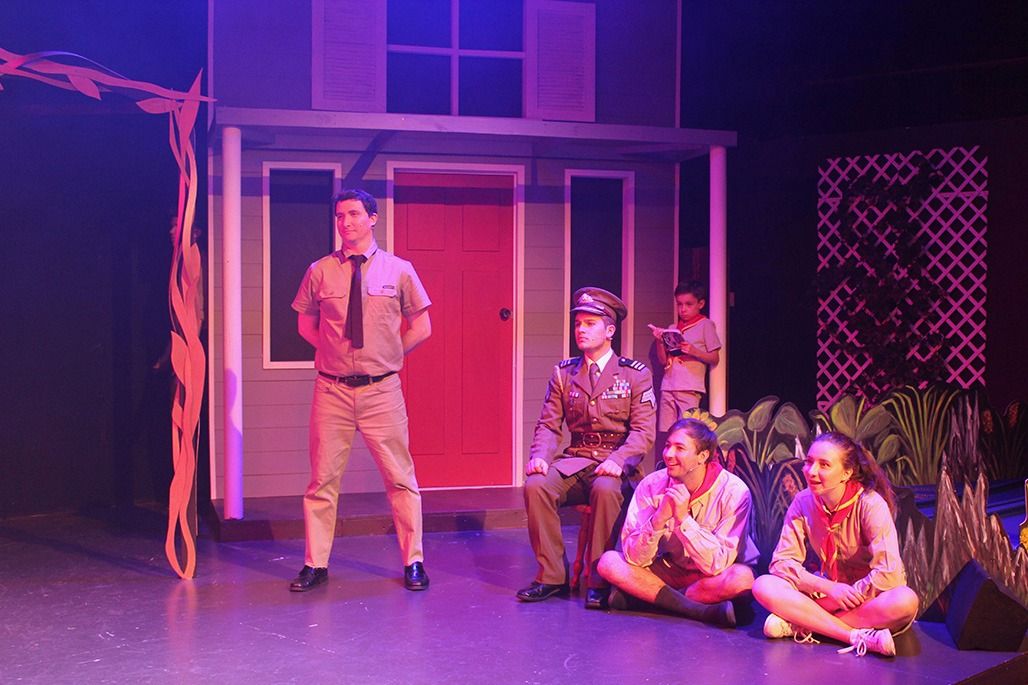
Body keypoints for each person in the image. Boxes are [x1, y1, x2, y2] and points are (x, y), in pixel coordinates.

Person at [289, 189, 433, 593]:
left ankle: (414, 561)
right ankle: (315, 564)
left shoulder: (399, 270)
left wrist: (388, 355)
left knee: (400, 479)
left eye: (354, 214)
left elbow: (422, 327)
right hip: (331, 390)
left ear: (372, 218)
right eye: (340, 216)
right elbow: (305, 324)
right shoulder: (320, 270)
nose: (346, 222)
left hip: (381, 391)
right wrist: (334, 353)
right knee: (321, 482)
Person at [517, 287, 656, 609]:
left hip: (616, 464)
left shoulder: (634, 375)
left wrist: (619, 460)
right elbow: (548, 425)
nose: (581, 329)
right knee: (536, 485)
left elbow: (643, 432)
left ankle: (599, 578)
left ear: (610, 331)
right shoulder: (564, 373)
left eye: (590, 323)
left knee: (606, 489)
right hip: (576, 461)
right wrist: (539, 457)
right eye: (578, 323)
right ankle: (551, 575)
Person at [752, 432, 920, 657]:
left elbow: (888, 573)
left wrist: (843, 597)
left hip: (866, 598)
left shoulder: (870, 504)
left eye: (824, 465)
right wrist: (828, 589)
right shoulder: (803, 501)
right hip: (827, 590)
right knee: (763, 584)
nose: (811, 471)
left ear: (846, 473)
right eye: (809, 462)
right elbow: (781, 563)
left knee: (905, 601)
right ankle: (855, 636)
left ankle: (800, 624)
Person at [597, 418, 757, 626]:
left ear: (702, 456)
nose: (668, 454)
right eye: (667, 446)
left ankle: (649, 598)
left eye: (680, 448)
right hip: (670, 569)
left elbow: (717, 565)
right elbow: (634, 558)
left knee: (743, 579)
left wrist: (683, 520)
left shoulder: (734, 492)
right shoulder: (651, 485)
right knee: (609, 562)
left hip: (712, 577)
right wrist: (659, 518)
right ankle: (698, 610)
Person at [648, 281, 720, 456]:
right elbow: (663, 361)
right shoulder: (673, 328)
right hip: (669, 385)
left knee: (688, 431)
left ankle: (686, 463)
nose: (683, 309)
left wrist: (693, 351)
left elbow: (714, 358)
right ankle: (668, 463)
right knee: (667, 431)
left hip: (690, 386)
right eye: (679, 304)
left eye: (688, 304)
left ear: (700, 304)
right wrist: (659, 341)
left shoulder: (706, 325)